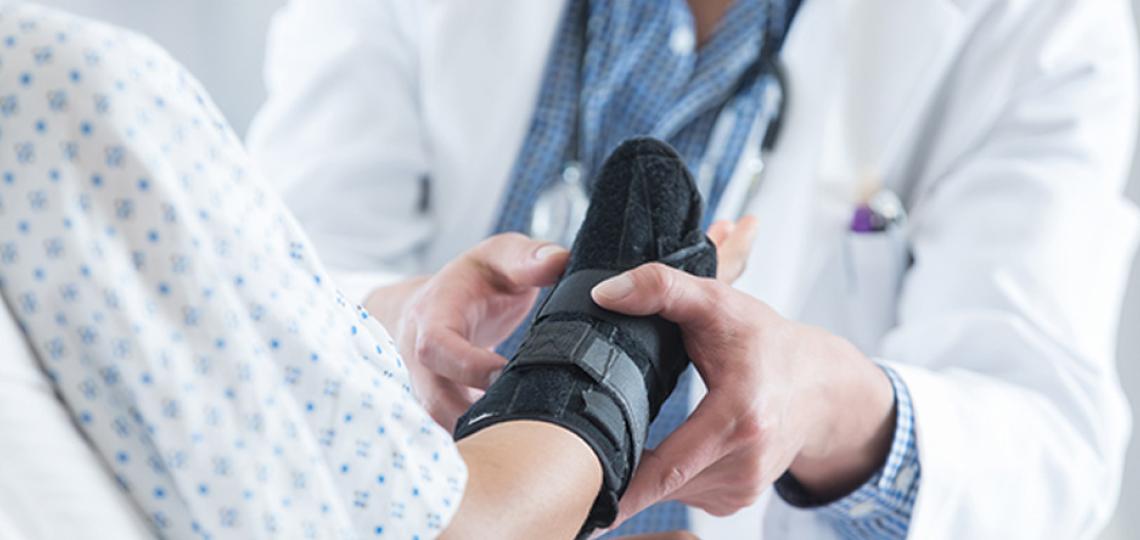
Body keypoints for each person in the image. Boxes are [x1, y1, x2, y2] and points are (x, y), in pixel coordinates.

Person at [247, 0, 1140, 538]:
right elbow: (271, 272)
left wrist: (828, 403)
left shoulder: (1038, 24)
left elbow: (1045, 443)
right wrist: (400, 317)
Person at [0, 4, 749, 538]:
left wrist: (848, 410)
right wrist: (610, 342)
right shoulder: (55, 88)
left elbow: (273, 278)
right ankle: (586, 389)